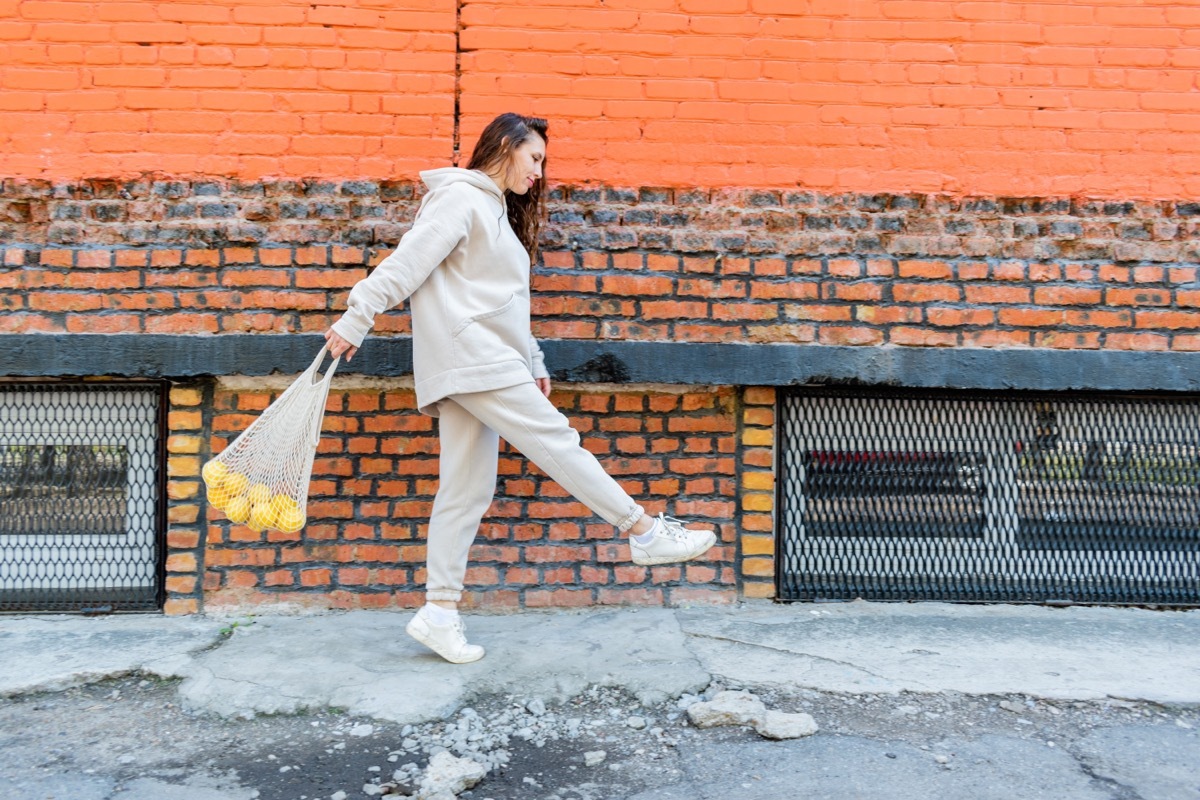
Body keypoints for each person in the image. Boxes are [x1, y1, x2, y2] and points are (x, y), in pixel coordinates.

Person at [324, 112, 716, 664]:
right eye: (534, 158)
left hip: (481, 358)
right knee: (557, 441)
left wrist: (532, 356)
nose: (538, 172)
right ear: (506, 146)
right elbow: (406, 265)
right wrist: (357, 315)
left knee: (465, 491)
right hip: (472, 355)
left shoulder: (491, 209)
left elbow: (502, 297)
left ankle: (439, 612)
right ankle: (643, 530)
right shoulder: (460, 198)